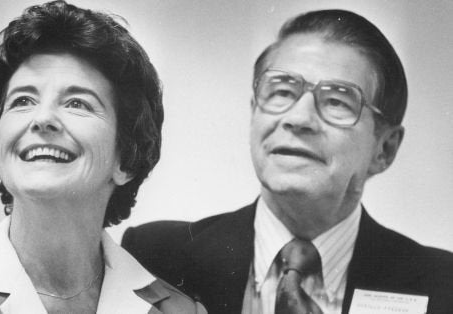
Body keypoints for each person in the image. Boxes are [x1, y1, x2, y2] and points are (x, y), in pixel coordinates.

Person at [122, 9, 453, 314]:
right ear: (255, 113)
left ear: (385, 149)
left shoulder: (443, 286)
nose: (298, 118)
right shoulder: (156, 256)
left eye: (337, 101)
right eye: (281, 92)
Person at [0, 1, 206, 313]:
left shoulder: (181, 311)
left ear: (126, 159)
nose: (42, 119)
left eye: (77, 103)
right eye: (23, 100)